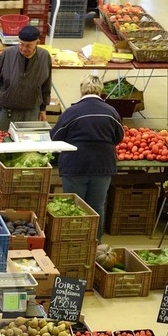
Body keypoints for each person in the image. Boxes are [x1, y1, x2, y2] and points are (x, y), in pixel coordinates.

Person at [51, 79, 124, 236]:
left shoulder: (71, 112)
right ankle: (95, 245)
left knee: (73, 206)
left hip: (75, 166)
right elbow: (119, 137)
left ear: (81, 89)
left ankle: (73, 242)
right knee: (96, 207)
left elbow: (55, 136)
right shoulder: (111, 112)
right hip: (103, 166)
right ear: (100, 91)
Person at [0, 24, 51, 132]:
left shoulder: (44, 56)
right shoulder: (8, 54)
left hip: (31, 112)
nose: (23, 48)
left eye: (28, 45)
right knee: (0, 142)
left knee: (26, 145)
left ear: (37, 43)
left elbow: (46, 85)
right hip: (6, 111)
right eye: (21, 44)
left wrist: (43, 109)